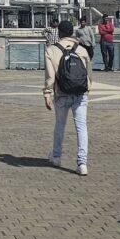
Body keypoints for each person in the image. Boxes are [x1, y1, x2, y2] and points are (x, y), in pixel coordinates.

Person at [43, 20, 92, 176]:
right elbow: (89, 73)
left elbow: (50, 76)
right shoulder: (82, 50)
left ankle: (56, 157)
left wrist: (47, 94)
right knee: (81, 127)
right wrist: (87, 88)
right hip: (80, 93)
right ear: (72, 32)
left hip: (62, 93)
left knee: (60, 125)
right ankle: (82, 163)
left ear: (60, 33)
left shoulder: (51, 50)